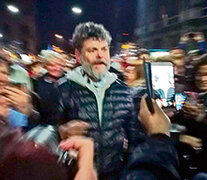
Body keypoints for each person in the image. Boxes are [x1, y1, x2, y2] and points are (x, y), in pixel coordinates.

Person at [58, 22, 179, 179]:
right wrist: (62, 132)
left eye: (104, 49)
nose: (100, 55)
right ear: (78, 55)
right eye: (92, 50)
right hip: (79, 174)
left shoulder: (123, 90)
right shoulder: (63, 88)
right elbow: (51, 133)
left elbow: (134, 139)